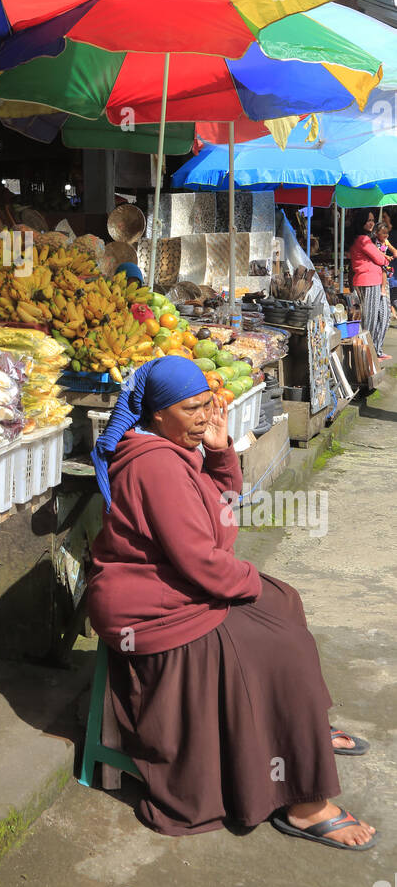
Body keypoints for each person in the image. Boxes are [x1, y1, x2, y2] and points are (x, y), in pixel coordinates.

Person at [88, 356, 377, 850]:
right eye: (194, 408)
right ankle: (306, 803)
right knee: (279, 644)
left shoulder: (175, 451)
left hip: (180, 583)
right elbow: (201, 558)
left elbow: (218, 515)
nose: (206, 416)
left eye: (209, 404)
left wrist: (220, 455)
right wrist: (246, 582)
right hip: (149, 610)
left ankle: (299, 729)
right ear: (157, 414)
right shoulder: (157, 465)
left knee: (284, 599)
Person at [348, 213, 390, 359]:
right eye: (368, 220)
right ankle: (368, 352)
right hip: (368, 281)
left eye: (372, 220)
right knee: (370, 319)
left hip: (374, 281)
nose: (371, 223)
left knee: (382, 316)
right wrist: (385, 260)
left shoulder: (366, 239)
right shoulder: (363, 239)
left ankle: (375, 349)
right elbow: (379, 258)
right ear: (361, 222)